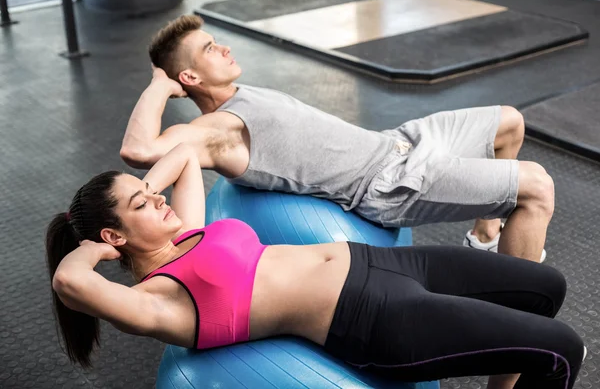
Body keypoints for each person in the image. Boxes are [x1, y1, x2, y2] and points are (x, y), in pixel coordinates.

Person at [48, 144, 583, 389]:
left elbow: (188, 156)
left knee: (546, 287)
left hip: (384, 261)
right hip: (373, 317)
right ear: (115, 236)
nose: (159, 199)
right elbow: (69, 280)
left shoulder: (185, 230)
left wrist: (146, 194)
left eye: (151, 192)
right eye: (143, 204)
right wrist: (99, 249)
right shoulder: (155, 300)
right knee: (561, 350)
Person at [120, 15, 552, 263]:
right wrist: (159, 84)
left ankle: (483, 238)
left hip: (397, 142)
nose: (225, 48)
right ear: (190, 76)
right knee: (536, 186)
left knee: (509, 123)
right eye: (210, 49)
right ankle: (526, 324)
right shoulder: (218, 131)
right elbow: (137, 150)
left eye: (216, 41)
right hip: (387, 184)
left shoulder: (242, 92)